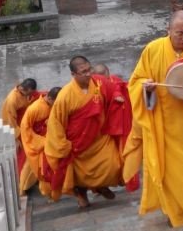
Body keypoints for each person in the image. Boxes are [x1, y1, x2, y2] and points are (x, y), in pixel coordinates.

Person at [123, 10, 183, 227]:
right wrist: (147, 88)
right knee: (172, 173)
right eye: (179, 32)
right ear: (168, 31)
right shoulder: (153, 50)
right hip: (164, 125)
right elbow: (135, 82)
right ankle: (179, 214)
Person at [41, 56, 123, 209]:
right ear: (73, 74)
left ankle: (100, 185)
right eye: (83, 72)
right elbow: (55, 123)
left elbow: (114, 87)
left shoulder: (98, 82)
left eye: (89, 69)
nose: (87, 74)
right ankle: (81, 194)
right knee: (79, 175)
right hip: (78, 143)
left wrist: (117, 95)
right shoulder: (65, 95)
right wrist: (63, 145)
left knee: (113, 164)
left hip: (99, 137)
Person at [92, 61, 138, 192]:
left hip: (122, 125)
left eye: (103, 75)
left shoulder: (116, 82)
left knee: (127, 153)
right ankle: (105, 183)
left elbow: (119, 89)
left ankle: (129, 181)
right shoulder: (94, 88)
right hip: (105, 129)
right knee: (108, 158)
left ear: (108, 73)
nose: (101, 78)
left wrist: (117, 95)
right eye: (98, 76)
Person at [19, 86, 61, 196]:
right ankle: (22, 189)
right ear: (51, 99)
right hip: (37, 141)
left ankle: (49, 187)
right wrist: (41, 141)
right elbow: (25, 128)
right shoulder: (34, 108)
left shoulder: (50, 104)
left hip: (48, 138)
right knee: (31, 166)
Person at [0, 78, 40, 175]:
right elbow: (11, 121)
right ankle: (19, 171)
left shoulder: (24, 92)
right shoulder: (12, 100)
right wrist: (17, 137)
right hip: (12, 122)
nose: (30, 95)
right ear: (24, 89)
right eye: (29, 93)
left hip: (21, 115)